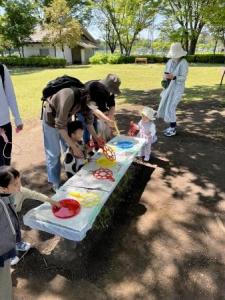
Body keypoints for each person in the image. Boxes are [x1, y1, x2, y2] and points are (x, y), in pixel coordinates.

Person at [42, 86, 105, 191]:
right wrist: (74, 147)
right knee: (54, 153)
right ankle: (55, 183)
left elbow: (89, 123)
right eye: (94, 104)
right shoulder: (69, 96)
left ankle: (73, 176)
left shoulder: (88, 103)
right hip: (51, 120)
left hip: (64, 119)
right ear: (89, 97)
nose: (94, 107)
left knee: (71, 148)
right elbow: (60, 126)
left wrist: (96, 138)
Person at [0, 166, 59, 267]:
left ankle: (18, 243)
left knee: (16, 229)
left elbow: (35, 195)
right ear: (3, 189)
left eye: (20, 182)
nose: (19, 187)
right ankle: (9, 255)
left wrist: (51, 201)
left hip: (13, 216)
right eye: (15, 184)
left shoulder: (20, 191)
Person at [78, 74, 121, 143]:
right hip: (83, 108)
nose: (111, 91)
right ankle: (87, 147)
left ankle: (97, 144)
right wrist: (107, 120)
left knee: (96, 127)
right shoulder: (93, 88)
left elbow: (111, 104)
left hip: (94, 107)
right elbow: (93, 109)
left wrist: (111, 116)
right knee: (87, 128)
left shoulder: (109, 89)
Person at [157, 42, 189, 137]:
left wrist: (174, 77)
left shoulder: (183, 63)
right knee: (166, 104)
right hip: (169, 87)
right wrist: (165, 78)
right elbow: (165, 73)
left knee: (171, 107)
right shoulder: (170, 61)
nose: (174, 57)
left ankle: (173, 127)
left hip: (177, 88)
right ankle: (171, 126)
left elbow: (183, 77)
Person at [0, 64, 23, 166]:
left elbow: (10, 95)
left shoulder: (1, 69)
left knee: (5, 162)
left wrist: (17, 119)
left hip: (4, 123)